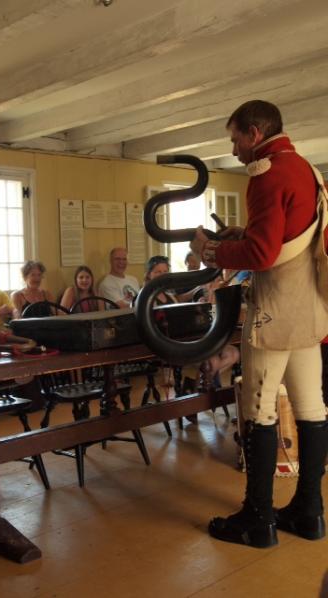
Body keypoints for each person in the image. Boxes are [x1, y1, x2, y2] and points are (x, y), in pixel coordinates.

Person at [190, 100, 328, 548]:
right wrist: (244, 233)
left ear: (254, 133)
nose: (234, 150)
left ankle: (258, 518)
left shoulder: (266, 174)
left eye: (235, 140)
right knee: (312, 409)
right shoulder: (307, 170)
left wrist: (210, 250)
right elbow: (284, 236)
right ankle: (309, 512)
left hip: (273, 311)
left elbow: (263, 255)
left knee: (259, 410)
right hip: (308, 310)